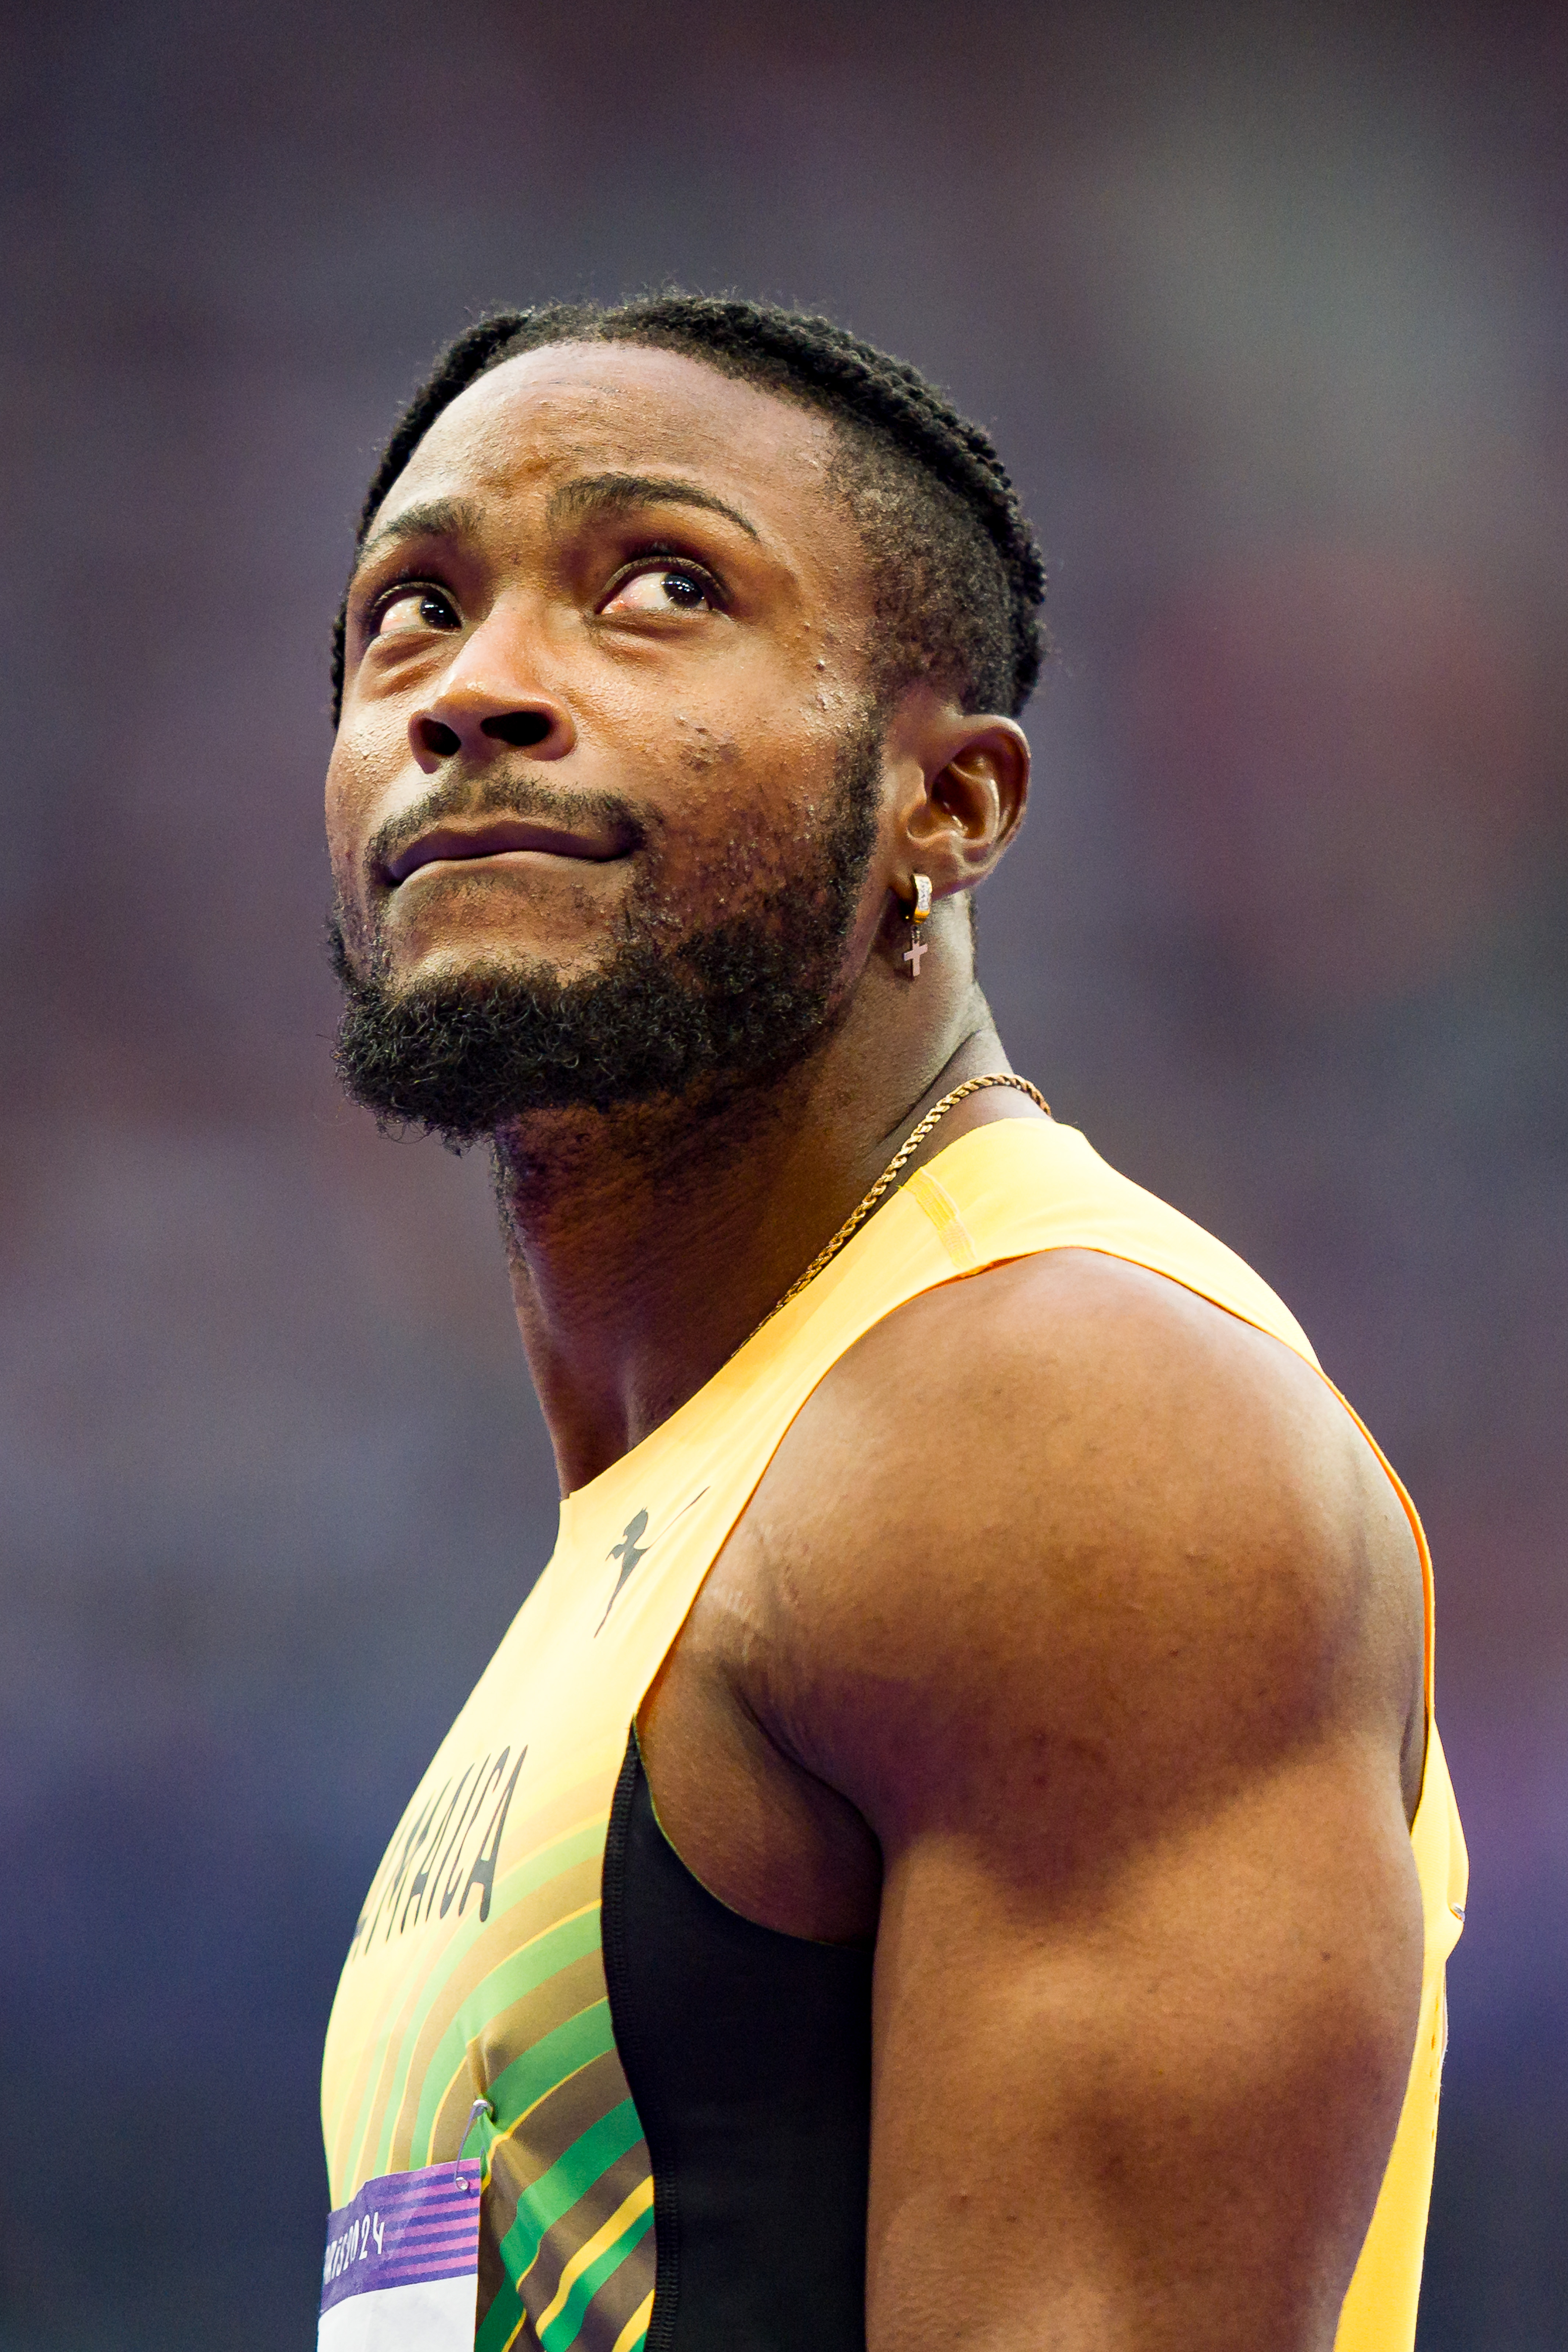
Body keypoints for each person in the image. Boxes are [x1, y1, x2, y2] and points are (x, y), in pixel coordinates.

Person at [318, 297, 1465, 2352]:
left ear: (950, 806)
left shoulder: (1066, 1420)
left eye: (661, 586)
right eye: (411, 611)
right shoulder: (696, 1492)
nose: (477, 688)